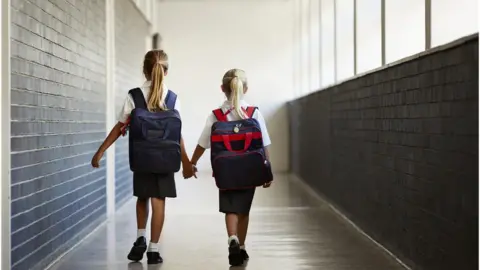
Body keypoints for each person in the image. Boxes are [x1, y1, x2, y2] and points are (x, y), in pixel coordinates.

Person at [91, 50, 194, 264]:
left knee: (143, 197)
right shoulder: (173, 98)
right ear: (166, 72)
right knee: (159, 201)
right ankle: (154, 250)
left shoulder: (134, 95)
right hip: (166, 158)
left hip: (142, 157)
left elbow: (120, 127)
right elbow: (178, 135)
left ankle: (140, 237)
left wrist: (100, 151)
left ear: (144, 70)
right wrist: (186, 163)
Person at [187, 68, 273, 266]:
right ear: (246, 88)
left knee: (230, 208)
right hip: (250, 169)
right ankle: (241, 247)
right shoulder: (254, 113)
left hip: (225, 170)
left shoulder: (216, 115)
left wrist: (192, 162)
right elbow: (264, 142)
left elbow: (203, 142)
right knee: (244, 209)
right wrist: (267, 170)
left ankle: (232, 238)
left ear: (222, 88)